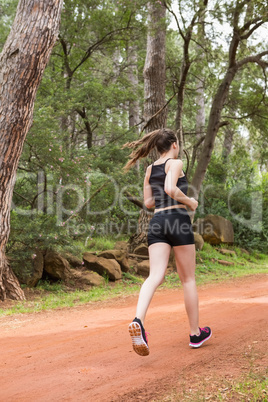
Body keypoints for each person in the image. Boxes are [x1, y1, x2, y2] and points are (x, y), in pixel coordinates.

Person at [123, 128, 212, 356]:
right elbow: (170, 188)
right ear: (173, 144)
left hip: (157, 221)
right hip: (177, 220)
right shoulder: (176, 162)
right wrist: (190, 202)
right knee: (188, 279)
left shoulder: (150, 169)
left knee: (155, 276)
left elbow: (149, 202)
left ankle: (138, 321)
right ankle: (195, 333)